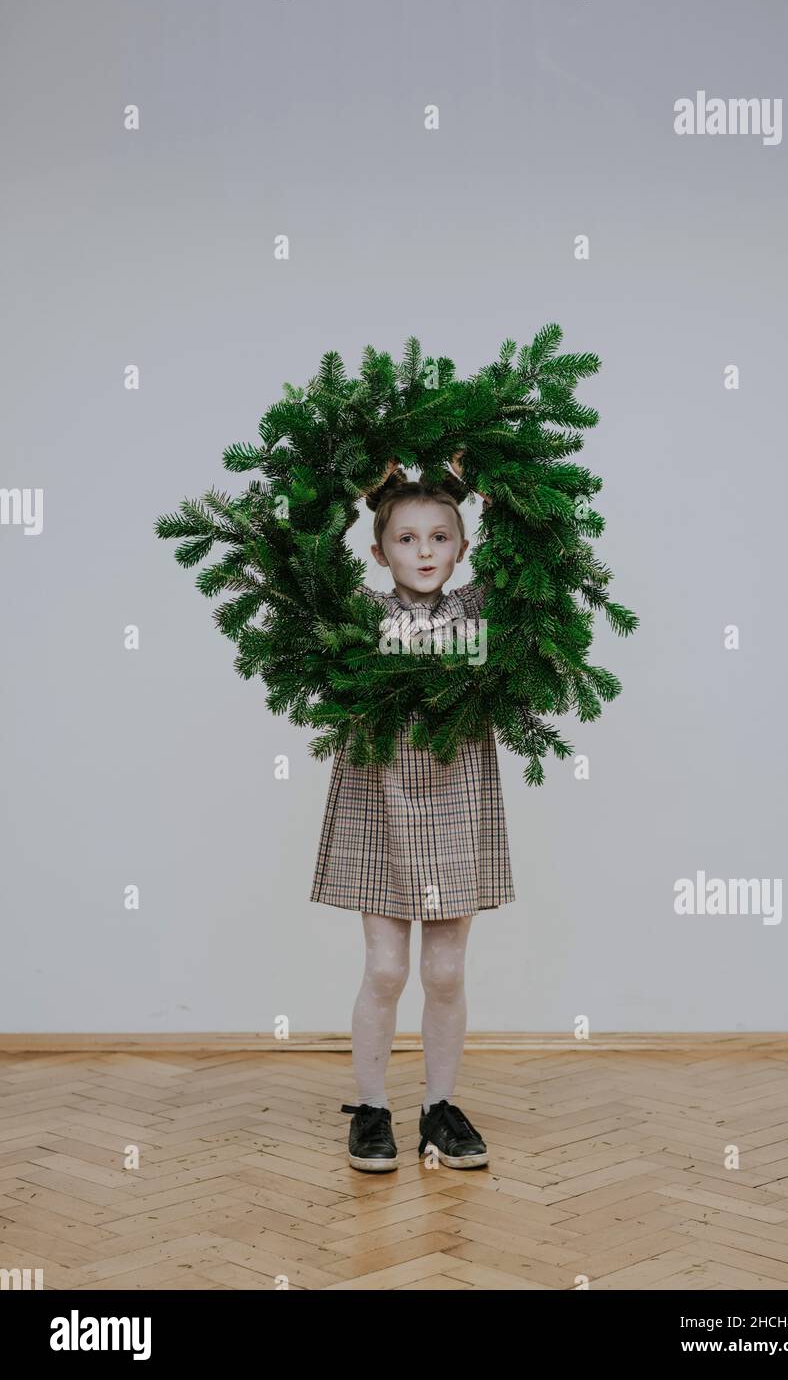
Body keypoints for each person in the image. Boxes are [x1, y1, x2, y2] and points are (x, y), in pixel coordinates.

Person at [309, 452, 516, 1171]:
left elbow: (537, 556)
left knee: (448, 972)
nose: (423, 551)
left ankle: (440, 1106)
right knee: (387, 968)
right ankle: (371, 1108)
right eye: (405, 537)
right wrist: (352, 486)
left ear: (462, 548)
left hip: (457, 800)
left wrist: (486, 481)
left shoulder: (477, 610)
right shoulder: (363, 615)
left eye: (439, 537)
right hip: (380, 800)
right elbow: (304, 561)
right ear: (377, 549)